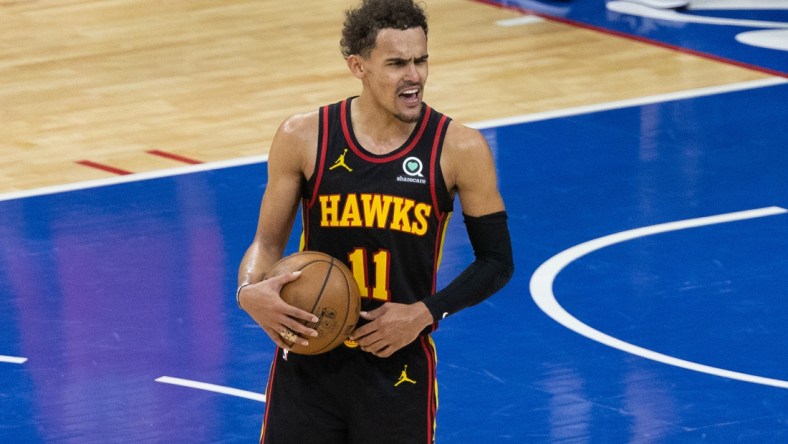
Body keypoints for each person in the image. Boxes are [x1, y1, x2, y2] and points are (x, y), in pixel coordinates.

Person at [236, 0, 514, 442]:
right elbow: (267, 244)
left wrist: (425, 311)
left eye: (421, 60)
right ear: (358, 65)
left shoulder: (460, 148)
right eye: (397, 63)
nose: (415, 76)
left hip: (399, 370)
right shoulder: (303, 136)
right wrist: (250, 291)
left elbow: (497, 261)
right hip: (308, 361)